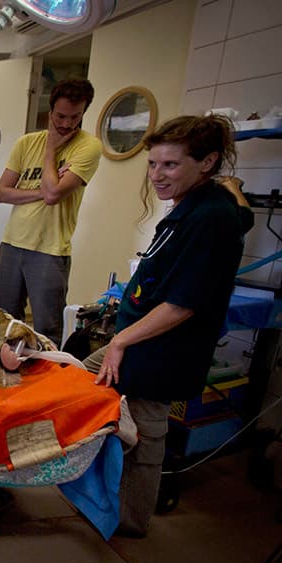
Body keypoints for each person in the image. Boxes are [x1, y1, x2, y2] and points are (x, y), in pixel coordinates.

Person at [86, 114, 253, 537]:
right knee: (77, 375)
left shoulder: (211, 218)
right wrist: (234, 190)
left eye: (170, 165)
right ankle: (94, 488)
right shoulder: (200, 204)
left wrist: (121, 340)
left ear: (208, 162)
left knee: (144, 435)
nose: (157, 176)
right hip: (142, 340)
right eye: (153, 164)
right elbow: (244, 215)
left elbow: (183, 305)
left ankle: (131, 521)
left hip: (162, 352)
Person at [0, 78, 103, 346]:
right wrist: (42, 191)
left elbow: (54, 195)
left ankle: (46, 382)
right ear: (50, 110)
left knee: (47, 327)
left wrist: (51, 150)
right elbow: (2, 193)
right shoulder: (26, 143)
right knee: (5, 321)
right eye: (60, 116)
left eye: (75, 117)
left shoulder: (88, 147)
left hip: (50, 249)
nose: (66, 124)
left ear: (84, 113)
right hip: (12, 244)